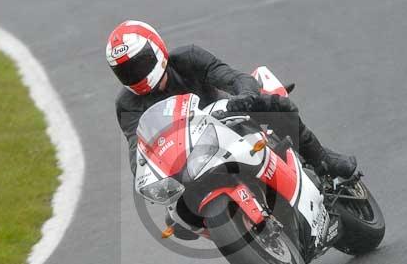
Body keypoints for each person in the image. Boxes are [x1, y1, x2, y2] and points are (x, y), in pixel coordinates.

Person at [108, 20, 357, 179]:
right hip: (190, 154)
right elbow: (137, 148)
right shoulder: (127, 104)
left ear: (156, 48)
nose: (136, 74)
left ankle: (322, 158)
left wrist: (245, 96)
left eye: (139, 64)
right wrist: (144, 172)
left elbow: (231, 76)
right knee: (180, 215)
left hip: (228, 117)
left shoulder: (188, 58)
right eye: (127, 71)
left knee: (277, 105)